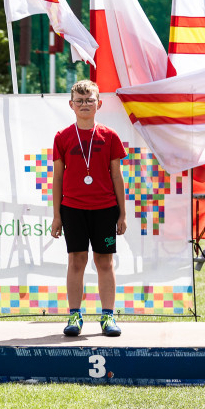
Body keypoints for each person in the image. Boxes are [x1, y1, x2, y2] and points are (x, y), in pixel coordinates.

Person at [50, 79, 127, 337]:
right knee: (76, 261)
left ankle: (108, 317)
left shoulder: (110, 136)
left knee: (104, 262)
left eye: (89, 100)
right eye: (80, 100)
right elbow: (58, 178)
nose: (85, 104)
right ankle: (75, 315)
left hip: (105, 209)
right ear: (71, 105)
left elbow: (117, 177)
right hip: (72, 209)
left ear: (99, 104)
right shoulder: (62, 137)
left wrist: (122, 213)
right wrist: (56, 216)